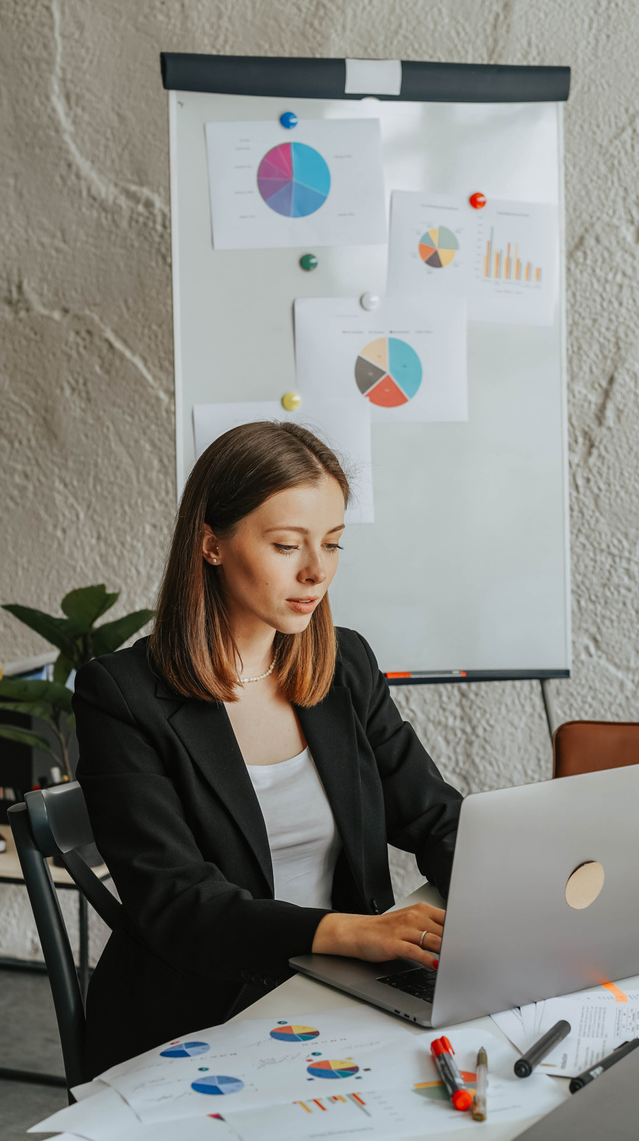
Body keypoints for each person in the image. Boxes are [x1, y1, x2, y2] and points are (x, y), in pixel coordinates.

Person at [74, 421, 462, 1077]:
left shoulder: (345, 665)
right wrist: (345, 932)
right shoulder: (122, 694)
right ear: (212, 544)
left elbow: (432, 815)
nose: (317, 572)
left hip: (339, 997)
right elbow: (175, 901)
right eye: (287, 545)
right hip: (196, 1017)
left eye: (333, 544)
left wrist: (512, 895)